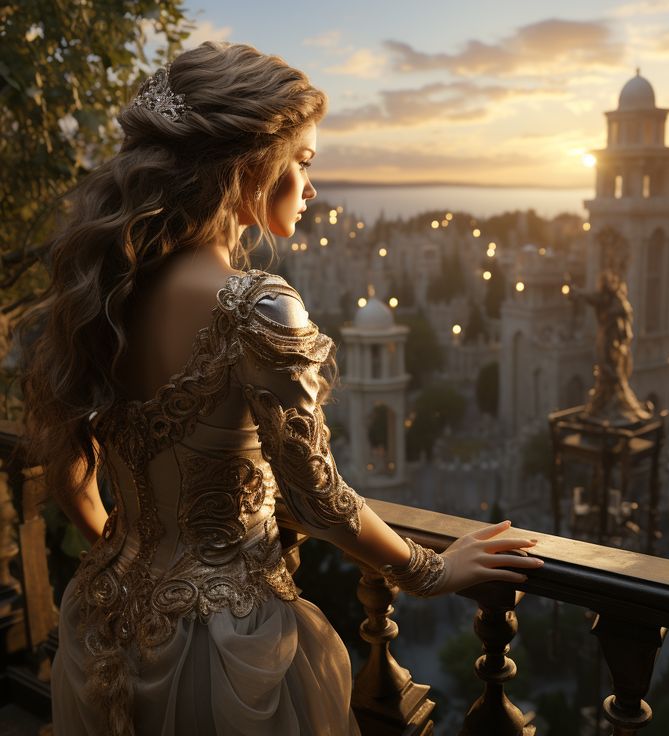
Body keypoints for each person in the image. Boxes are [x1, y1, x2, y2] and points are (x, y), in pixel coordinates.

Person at [18, 41, 543, 736]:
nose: (313, 187)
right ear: (249, 167)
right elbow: (316, 497)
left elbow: (72, 473)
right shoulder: (254, 306)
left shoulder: (108, 291)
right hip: (227, 648)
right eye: (304, 163)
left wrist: (130, 561)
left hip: (105, 621)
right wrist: (431, 570)